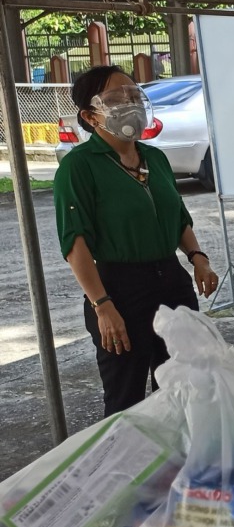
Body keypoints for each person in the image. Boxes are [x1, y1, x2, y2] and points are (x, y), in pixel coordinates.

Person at [53, 65, 219, 416]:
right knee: (125, 396)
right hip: (119, 287)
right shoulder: (79, 166)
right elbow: (74, 243)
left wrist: (197, 256)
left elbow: (177, 216)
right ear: (90, 115)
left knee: (183, 385)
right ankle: (126, 468)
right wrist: (102, 305)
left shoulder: (155, 158)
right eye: (116, 98)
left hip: (171, 281)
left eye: (133, 95)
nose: (130, 103)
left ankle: (180, 463)